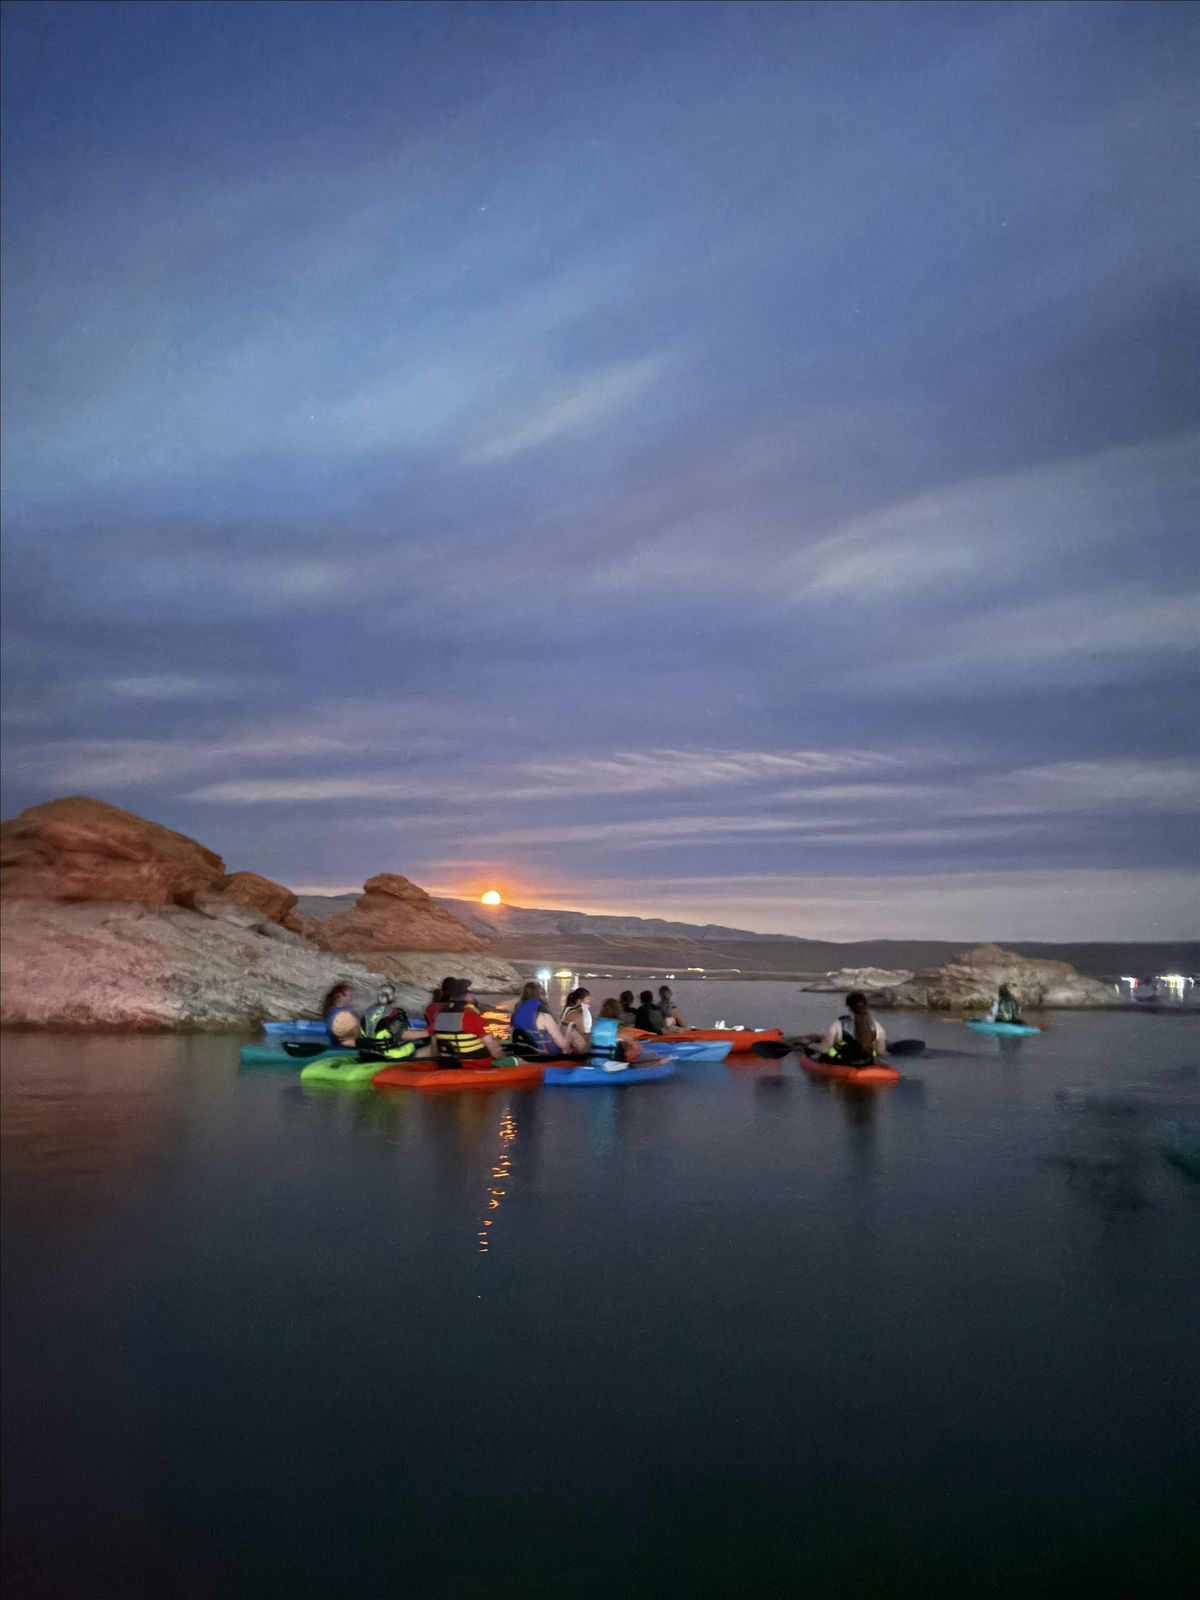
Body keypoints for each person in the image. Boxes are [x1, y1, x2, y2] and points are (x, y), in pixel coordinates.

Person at [432, 978, 519, 1069]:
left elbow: (435, 1047)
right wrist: (503, 1056)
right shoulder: (470, 1017)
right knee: (519, 1060)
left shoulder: (440, 1017)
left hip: (450, 1064)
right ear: (467, 996)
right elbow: (495, 1050)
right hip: (477, 1065)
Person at [510, 981, 582, 1056]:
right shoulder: (544, 1017)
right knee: (572, 1033)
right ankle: (584, 1057)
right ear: (541, 996)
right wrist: (570, 1027)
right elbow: (563, 1044)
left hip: (524, 1055)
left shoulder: (515, 1015)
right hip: (545, 1056)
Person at [817, 991, 887, 1066]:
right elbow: (881, 1051)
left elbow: (825, 1049)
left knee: (823, 1054)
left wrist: (812, 1045)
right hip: (867, 1062)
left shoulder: (838, 1024)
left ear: (849, 1007)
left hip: (844, 1062)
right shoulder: (876, 1026)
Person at [321, 983, 360, 1047]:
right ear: (341, 996)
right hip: (343, 1048)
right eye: (350, 996)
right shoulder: (341, 1016)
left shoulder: (337, 1010)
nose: (351, 999)